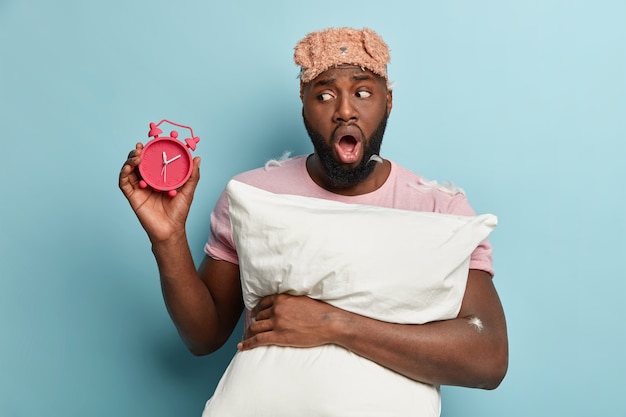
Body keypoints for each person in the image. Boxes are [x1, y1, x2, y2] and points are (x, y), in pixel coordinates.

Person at [119, 27, 508, 415]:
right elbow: (204, 336)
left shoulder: (438, 210)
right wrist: (168, 240)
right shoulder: (254, 196)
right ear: (303, 104)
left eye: (363, 92)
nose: (344, 110)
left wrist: (332, 323)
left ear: (388, 102)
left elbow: (488, 358)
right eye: (323, 94)